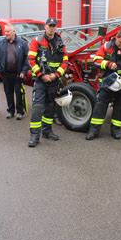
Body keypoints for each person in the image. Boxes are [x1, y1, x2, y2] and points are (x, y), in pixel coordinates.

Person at [28, 18, 68, 147]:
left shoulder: (60, 41)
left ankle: (47, 131)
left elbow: (65, 62)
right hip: (41, 81)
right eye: (49, 26)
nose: (51, 28)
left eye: (54, 26)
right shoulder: (37, 41)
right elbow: (31, 60)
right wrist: (41, 75)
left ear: (56, 27)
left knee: (50, 108)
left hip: (54, 80)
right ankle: (34, 136)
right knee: (38, 108)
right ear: (45, 27)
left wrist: (56, 75)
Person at [0, 24, 29, 119]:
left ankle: (20, 112)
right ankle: (10, 111)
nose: (6, 33)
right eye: (5, 31)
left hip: (18, 74)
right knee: (8, 92)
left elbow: (27, 59)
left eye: (8, 31)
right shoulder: (1, 43)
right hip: (6, 73)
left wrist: (24, 71)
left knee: (18, 93)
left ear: (14, 31)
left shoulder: (22, 43)